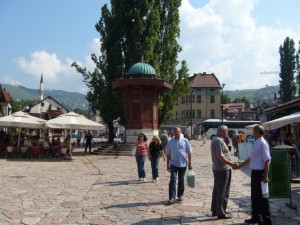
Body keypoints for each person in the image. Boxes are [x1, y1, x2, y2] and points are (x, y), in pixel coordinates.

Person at [237, 125, 273, 225]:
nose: (252, 133)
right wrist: (240, 165)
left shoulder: (262, 143)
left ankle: (266, 220)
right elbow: (251, 158)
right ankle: (256, 217)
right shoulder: (257, 142)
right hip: (254, 173)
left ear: (257, 132)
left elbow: (267, 160)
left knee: (262, 198)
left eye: (253, 131)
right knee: (254, 197)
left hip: (260, 173)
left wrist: (265, 176)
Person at [211, 125, 238, 219]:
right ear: (220, 132)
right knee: (222, 191)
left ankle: (216, 209)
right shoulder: (218, 141)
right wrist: (231, 163)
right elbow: (220, 157)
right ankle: (220, 212)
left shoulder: (218, 140)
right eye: (226, 131)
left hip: (221, 168)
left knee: (218, 190)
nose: (227, 133)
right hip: (222, 169)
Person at [165, 126, 192, 205]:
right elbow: (168, 154)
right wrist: (168, 165)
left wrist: (190, 164)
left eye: (177, 131)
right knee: (173, 179)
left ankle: (180, 195)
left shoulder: (185, 141)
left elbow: (189, 152)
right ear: (173, 132)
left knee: (181, 180)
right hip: (173, 163)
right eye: (175, 131)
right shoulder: (170, 142)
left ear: (180, 132)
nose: (176, 132)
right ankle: (172, 197)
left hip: (183, 164)